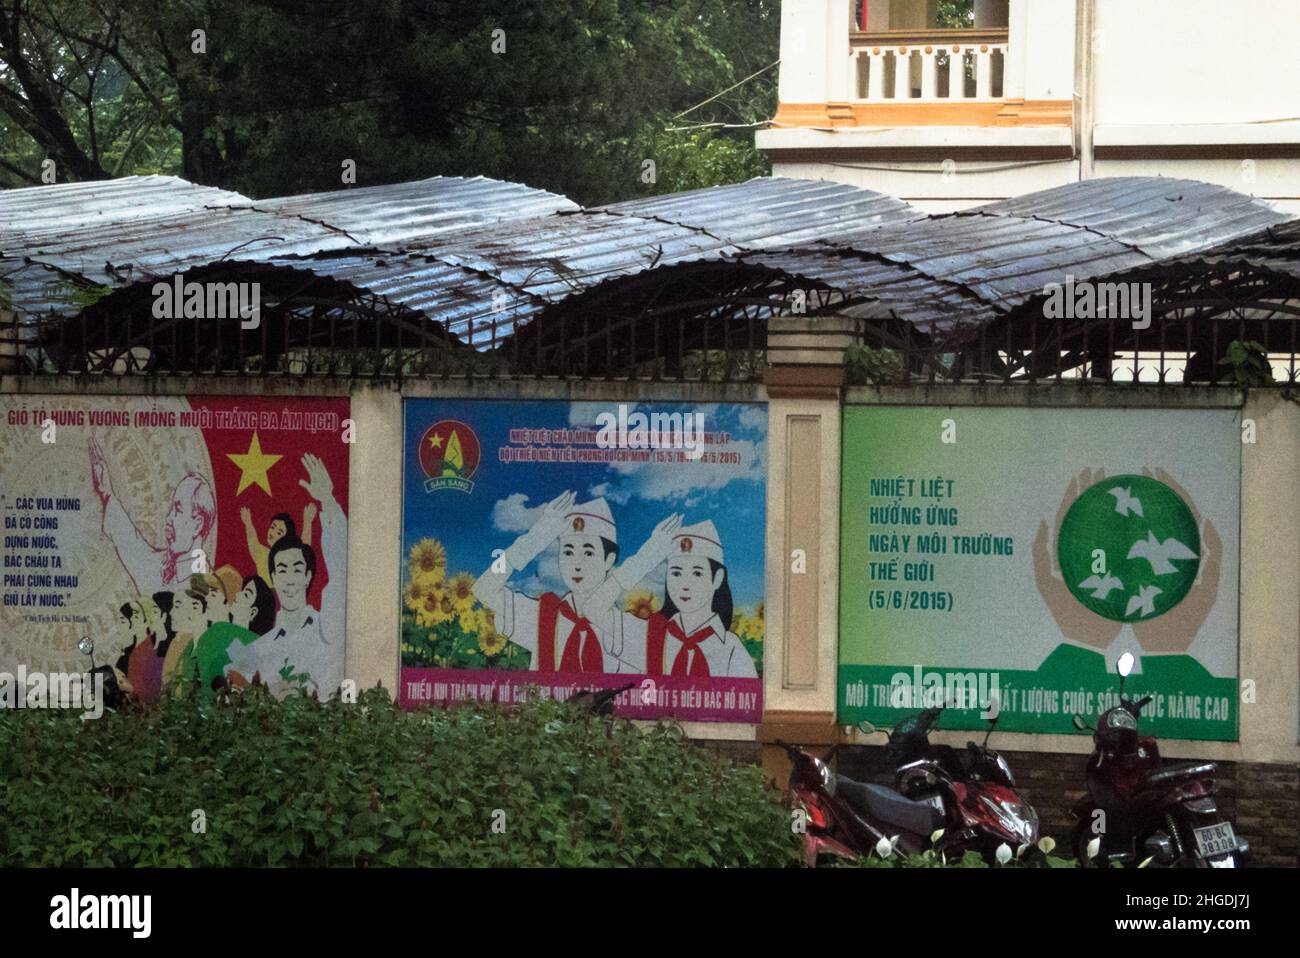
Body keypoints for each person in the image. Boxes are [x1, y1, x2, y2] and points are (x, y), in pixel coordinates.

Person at [472, 491, 681, 674]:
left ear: (609, 560)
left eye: (588, 552)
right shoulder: (542, 614)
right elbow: (483, 589)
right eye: (568, 551)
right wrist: (534, 539)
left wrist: (644, 559)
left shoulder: (621, 627)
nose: (576, 563)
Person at [224, 454, 346, 698]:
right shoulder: (260, 646)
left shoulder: (327, 626)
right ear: (273, 578)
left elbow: (341, 566)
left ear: (308, 576)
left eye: (297, 569)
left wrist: (328, 501)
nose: (289, 579)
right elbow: (232, 678)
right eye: (282, 570)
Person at [89, 435, 215, 595]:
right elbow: (130, 544)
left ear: (197, 524)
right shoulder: (160, 567)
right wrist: (106, 492)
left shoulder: (210, 592)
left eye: (178, 510)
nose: (169, 519)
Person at [645, 520, 757, 679]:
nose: (684, 585)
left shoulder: (732, 649)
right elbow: (597, 610)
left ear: (717, 578)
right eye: (676, 573)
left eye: (697, 574)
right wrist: (647, 554)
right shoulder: (652, 634)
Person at [241, 506, 315, 585]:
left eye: (279, 533)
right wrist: (248, 523)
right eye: (272, 527)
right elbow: (253, 543)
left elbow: (303, 550)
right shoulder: (264, 554)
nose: (273, 533)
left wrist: (307, 522)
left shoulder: (290, 556)